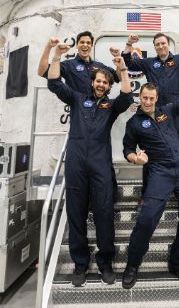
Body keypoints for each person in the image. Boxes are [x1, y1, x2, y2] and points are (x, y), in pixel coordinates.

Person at [47, 44, 133, 287]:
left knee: (105, 214)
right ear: (92, 82)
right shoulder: (76, 99)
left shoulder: (111, 107)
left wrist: (122, 68)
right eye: (98, 81)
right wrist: (56, 56)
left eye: (106, 83)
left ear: (108, 86)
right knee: (76, 215)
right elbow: (54, 83)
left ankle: (105, 263)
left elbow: (126, 96)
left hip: (100, 167)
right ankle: (80, 264)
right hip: (76, 165)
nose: (101, 85)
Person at [122, 65, 179, 289]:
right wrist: (135, 159)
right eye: (144, 97)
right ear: (140, 97)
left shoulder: (167, 110)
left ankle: (177, 261)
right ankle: (133, 264)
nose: (148, 101)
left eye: (151, 98)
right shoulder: (134, 123)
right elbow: (126, 148)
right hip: (159, 171)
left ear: (156, 98)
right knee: (146, 219)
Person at [38, 31, 120, 200]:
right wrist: (49, 48)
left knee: (103, 158)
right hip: (80, 114)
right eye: (82, 42)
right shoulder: (69, 65)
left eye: (88, 42)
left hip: (100, 115)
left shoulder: (100, 67)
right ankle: (84, 198)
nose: (85, 45)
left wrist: (119, 58)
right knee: (79, 163)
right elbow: (42, 72)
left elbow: (118, 76)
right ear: (77, 45)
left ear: (92, 45)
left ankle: (109, 197)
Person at [121, 22, 179, 155]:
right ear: (155, 47)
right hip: (155, 111)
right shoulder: (149, 63)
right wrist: (129, 44)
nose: (161, 46)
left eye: (163, 43)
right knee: (156, 144)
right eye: (157, 44)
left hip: (176, 110)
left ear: (168, 44)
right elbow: (128, 63)